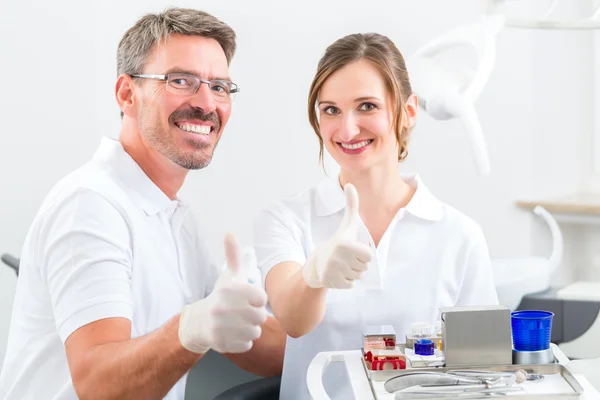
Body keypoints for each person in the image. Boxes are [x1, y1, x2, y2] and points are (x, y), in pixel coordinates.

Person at [0, 8, 284, 400]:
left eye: (219, 86)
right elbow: (99, 385)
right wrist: (191, 327)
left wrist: (350, 348)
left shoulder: (176, 220)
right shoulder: (90, 205)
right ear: (127, 94)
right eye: (181, 80)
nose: (206, 103)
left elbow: (251, 342)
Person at [253, 32, 499, 400]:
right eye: (330, 110)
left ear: (408, 111)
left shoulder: (459, 235)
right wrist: (314, 275)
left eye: (367, 106)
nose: (347, 129)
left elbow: (484, 371)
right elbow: (293, 319)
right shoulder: (286, 219)